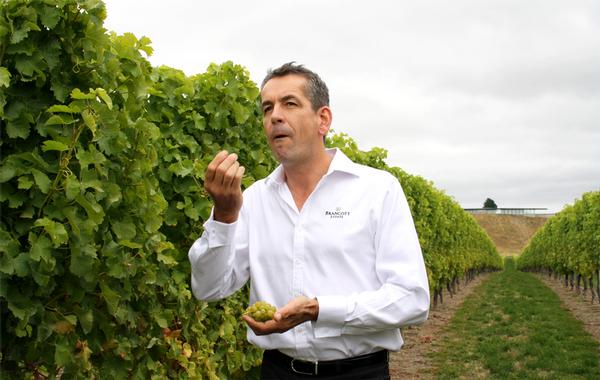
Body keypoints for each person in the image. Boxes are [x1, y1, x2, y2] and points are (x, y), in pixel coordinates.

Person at [188, 62, 430, 379]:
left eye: (290, 103)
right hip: (278, 372)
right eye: (267, 108)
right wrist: (224, 215)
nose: (275, 116)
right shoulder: (254, 199)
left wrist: (317, 310)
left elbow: (411, 299)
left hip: (358, 373)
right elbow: (208, 288)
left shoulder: (377, 190)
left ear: (323, 119)